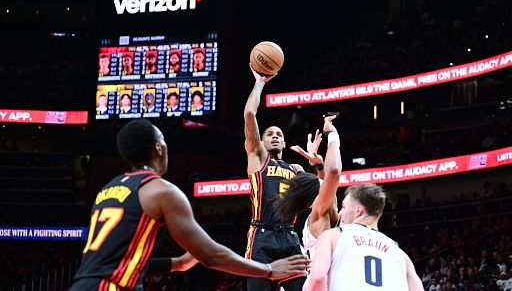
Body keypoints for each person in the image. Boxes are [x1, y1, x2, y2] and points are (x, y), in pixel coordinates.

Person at [69, 119, 308, 290]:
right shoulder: (160, 190)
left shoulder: (107, 189)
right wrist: (269, 270)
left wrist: (178, 264)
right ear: (159, 149)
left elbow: (115, 259)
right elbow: (212, 256)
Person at [244, 64, 307, 291]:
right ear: (260, 141)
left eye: (279, 134)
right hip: (262, 235)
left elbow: (318, 203)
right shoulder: (259, 158)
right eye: (269, 133)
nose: (274, 137)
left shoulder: (295, 170)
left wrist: (314, 168)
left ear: (284, 143)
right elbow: (250, 114)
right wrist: (260, 83)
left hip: (290, 238)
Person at [309, 184, 424, 291]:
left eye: (343, 207)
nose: (340, 213)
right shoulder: (401, 254)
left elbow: (318, 278)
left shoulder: (332, 236)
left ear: (358, 210)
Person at [273, 115, 342, 290]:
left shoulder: (317, 216)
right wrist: (332, 135)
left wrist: (318, 164)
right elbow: (333, 172)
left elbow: (323, 181)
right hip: (324, 283)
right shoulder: (320, 214)